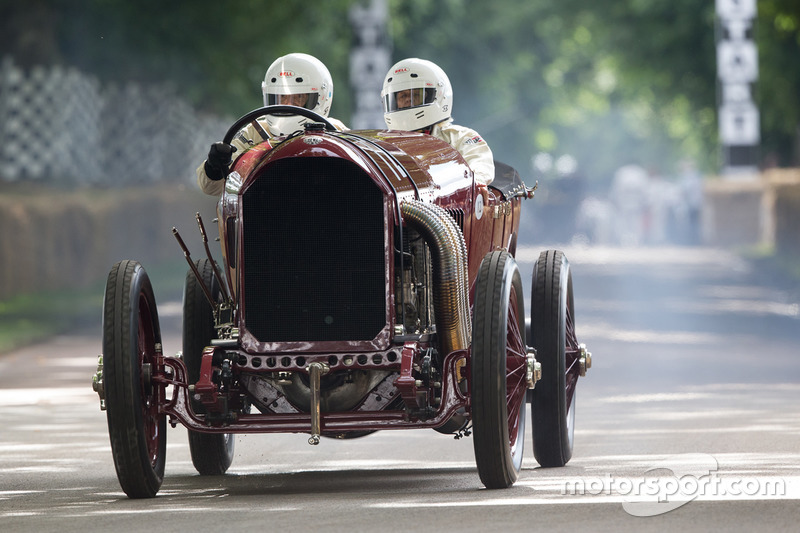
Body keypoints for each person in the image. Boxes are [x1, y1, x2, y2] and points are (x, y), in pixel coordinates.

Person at [197, 53, 348, 195]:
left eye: (298, 97)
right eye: (281, 97)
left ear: (321, 98)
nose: (288, 105)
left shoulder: (337, 133)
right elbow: (210, 187)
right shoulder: (255, 132)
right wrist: (214, 166)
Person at [381, 58, 494, 186]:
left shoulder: (460, 137)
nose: (408, 100)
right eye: (402, 96)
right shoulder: (383, 146)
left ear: (438, 95)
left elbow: (479, 161)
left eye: (415, 95)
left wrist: (477, 181)